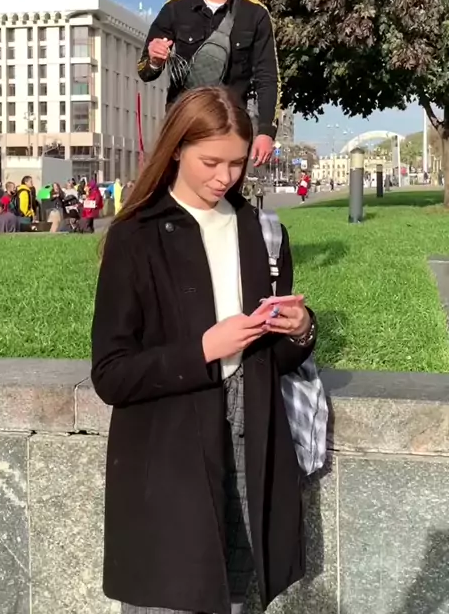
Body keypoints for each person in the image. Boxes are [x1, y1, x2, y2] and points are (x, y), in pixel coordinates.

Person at [91, 87, 316, 614]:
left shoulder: (262, 232)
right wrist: (204, 349)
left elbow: (275, 360)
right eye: (210, 162)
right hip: (170, 463)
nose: (225, 177)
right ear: (176, 149)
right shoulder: (136, 237)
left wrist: (301, 330)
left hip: (251, 453)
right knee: (172, 597)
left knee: (238, 597)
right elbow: (111, 374)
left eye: (237, 164)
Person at [137, 0, 280, 167]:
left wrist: (266, 131)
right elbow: (144, 71)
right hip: (184, 131)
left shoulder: (256, 14)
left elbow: (268, 77)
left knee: (224, 191)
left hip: (231, 130)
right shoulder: (175, 9)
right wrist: (154, 60)